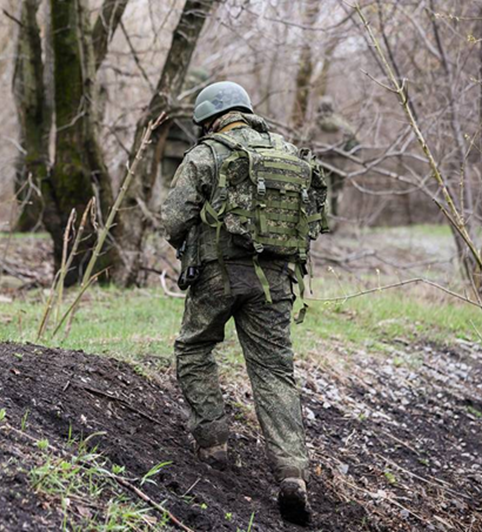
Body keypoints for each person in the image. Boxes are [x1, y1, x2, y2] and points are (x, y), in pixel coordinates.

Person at [161, 81, 328, 525]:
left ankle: (213, 444)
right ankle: (292, 474)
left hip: (216, 275)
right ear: (246, 110)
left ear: (208, 119)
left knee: (195, 347)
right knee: (274, 371)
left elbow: (173, 218)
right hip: (275, 281)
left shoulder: (206, 154)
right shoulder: (287, 152)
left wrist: (191, 241)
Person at [308, 96, 359, 223]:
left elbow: (307, 144)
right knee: (336, 192)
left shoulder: (315, 126)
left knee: (321, 191)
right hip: (339, 163)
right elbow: (354, 141)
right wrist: (348, 154)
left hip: (320, 162)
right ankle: (336, 219)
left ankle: (322, 220)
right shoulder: (343, 125)